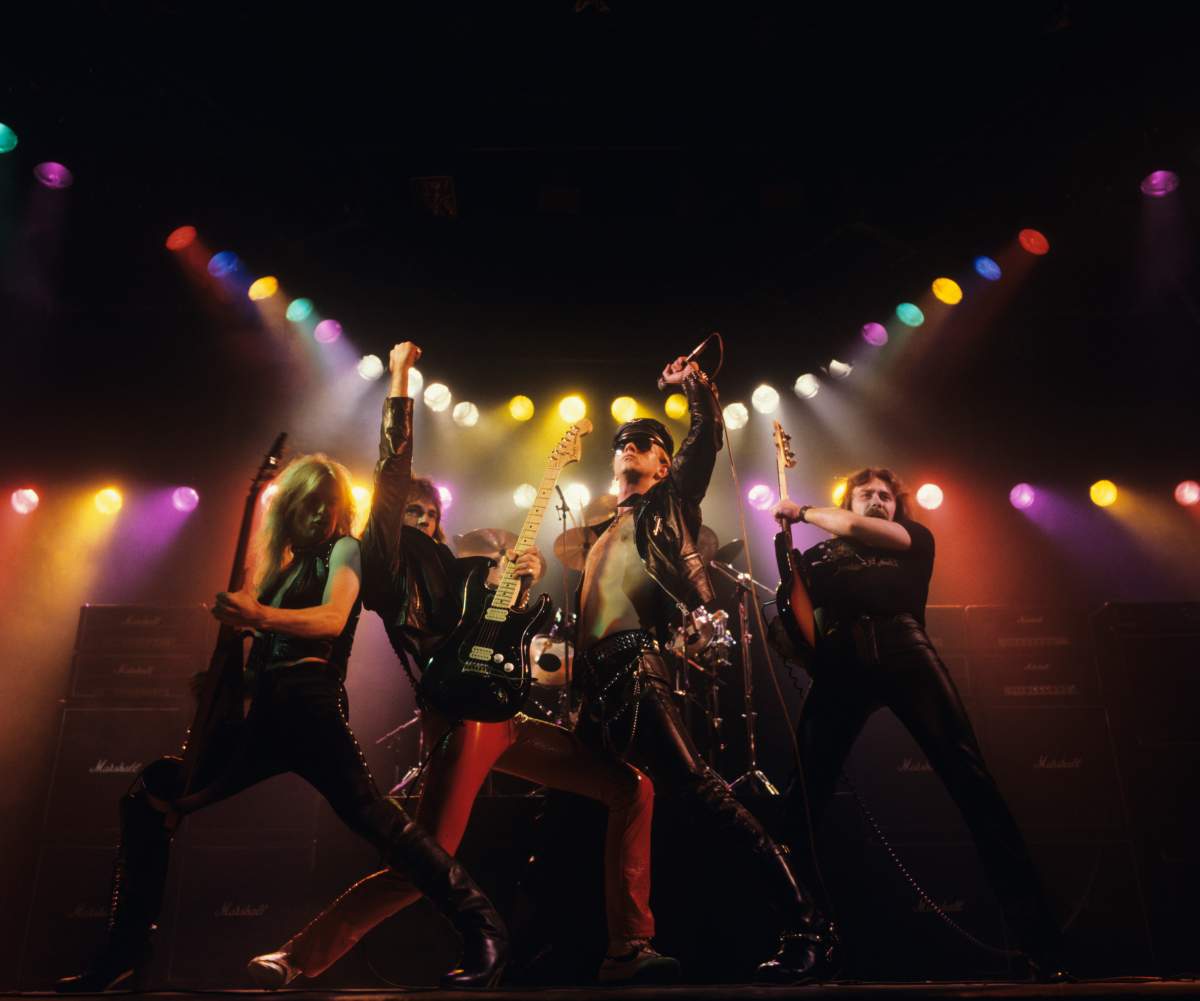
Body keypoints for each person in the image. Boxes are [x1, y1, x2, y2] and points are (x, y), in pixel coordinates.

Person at [247, 343, 677, 987]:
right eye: (411, 515)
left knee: (632, 786)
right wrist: (398, 380)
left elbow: (505, 618)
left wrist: (524, 581)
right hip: (459, 717)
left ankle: (629, 947)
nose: (422, 522)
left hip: (503, 714)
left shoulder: (465, 569)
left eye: (431, 515)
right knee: (429, 859)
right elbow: (393, 473)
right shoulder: (384, 564)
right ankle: (297, 957)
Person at [57, 453, 506, 993]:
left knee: (380, 824)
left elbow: (331, 619)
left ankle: (483, 927)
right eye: (307, 504)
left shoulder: (344, 552)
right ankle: (125, 952)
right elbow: (255, 657)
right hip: (267, 714)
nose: (318, 515)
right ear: (289, 508)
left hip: (310, 706)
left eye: (327, 505)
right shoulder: (283, 568)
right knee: (152, 792)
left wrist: (258, 616)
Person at [567, 355, 836, 983]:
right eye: (623, 442)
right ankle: (611, 947)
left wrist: (695, 386)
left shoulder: (670, 502)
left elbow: (706, 436)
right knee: (602, 804)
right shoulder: (602, 529)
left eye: (647, 443)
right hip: (596, 682)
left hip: (639, 667)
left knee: (703, 792)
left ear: (664, 464)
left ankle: (806, 922)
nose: (630, 446)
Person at [773, 467, 1066, 980]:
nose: (879, 501)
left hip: (905, 650)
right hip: (841, 661)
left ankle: (1041, 944)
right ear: (849, 499)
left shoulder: (911, 540)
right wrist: (788, 586)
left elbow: (860, 530)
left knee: (973, 783)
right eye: (867, 494)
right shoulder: (816, 558)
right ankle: (803, 940)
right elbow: (799, 628)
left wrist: (804, 512)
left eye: (886, 496)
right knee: (801, 799)